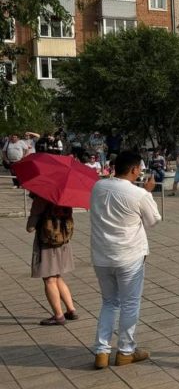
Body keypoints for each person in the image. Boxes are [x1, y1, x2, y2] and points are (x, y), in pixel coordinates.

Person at [90, 151, 161, 369]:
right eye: (139, 169)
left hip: (102, 255)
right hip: (129, 256)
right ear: (133, 169)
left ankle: (102, 351)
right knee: (130, 303)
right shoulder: (138, 194)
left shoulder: (98, 186)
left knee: (109, 302)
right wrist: (148, 192)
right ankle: (125, 351)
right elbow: (153, 221)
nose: (140, 172)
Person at [27, 194, 78, 326]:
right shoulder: (65, 197)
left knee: (49, 279)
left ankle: (58, 316)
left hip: (47, 245)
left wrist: (34, 217)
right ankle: (71, 310)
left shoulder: (41, 199)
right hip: (63, 242)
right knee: (57, 276)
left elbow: (30, 228)